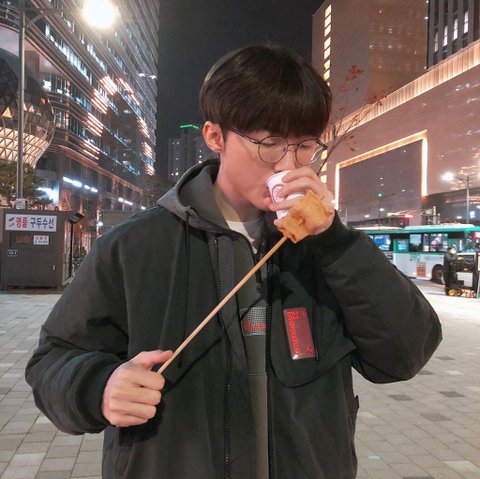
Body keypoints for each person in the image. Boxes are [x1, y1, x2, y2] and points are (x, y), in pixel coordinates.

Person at [25, 45, 442, 479]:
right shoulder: (134, 246)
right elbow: (52, 360)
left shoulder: (327, 248)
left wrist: (336, 241)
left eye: (304, 146)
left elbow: (404, 354)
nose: (289, 165)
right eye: (270, 144)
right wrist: (99, 387)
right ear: (215, 136)